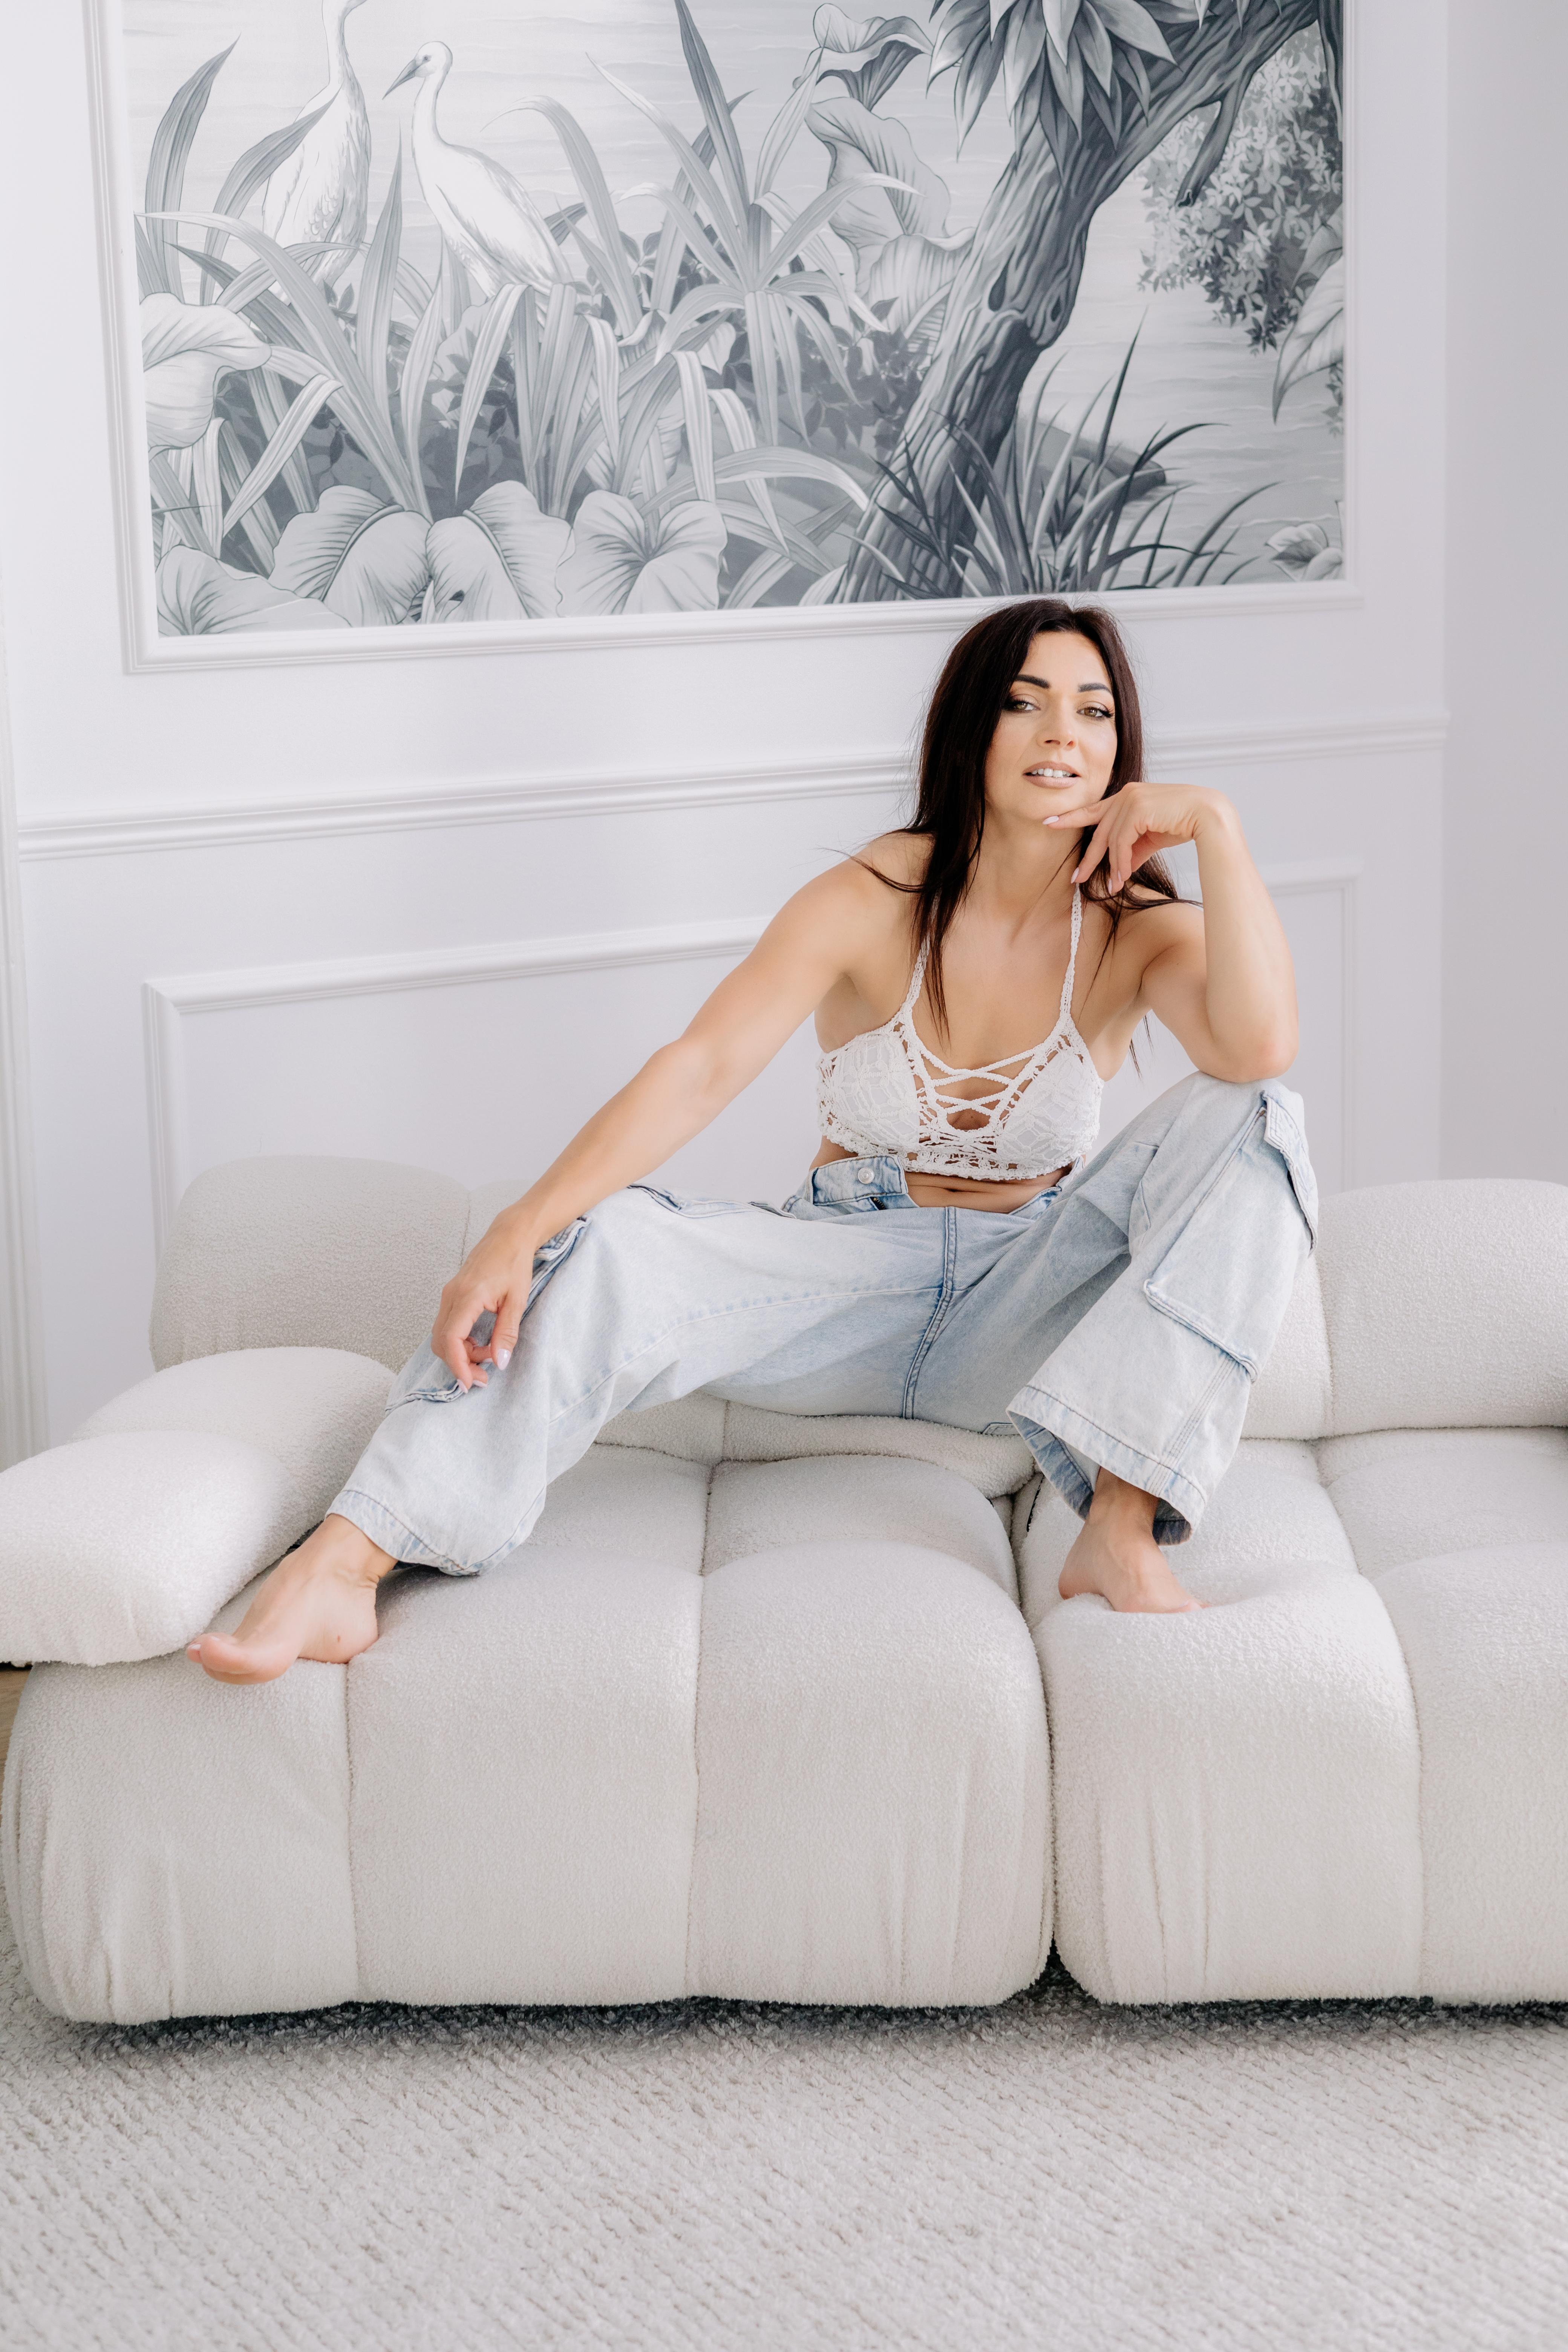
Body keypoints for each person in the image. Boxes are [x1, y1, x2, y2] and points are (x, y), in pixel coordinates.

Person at [189, 596, 1314, 1686]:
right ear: (973, 726)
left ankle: (1120, 1525)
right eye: (1028, 703)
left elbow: (1260, 1050)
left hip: (1030, 1302)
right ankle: (350, 1559)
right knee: (612, 1242)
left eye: (1095, 711)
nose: (1064, 734)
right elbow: (701, 1068)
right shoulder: (869, 897)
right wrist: (519, 1226)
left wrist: (1217, 826)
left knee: (1262, 1114)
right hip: (839, 1285)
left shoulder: (1136, 932)